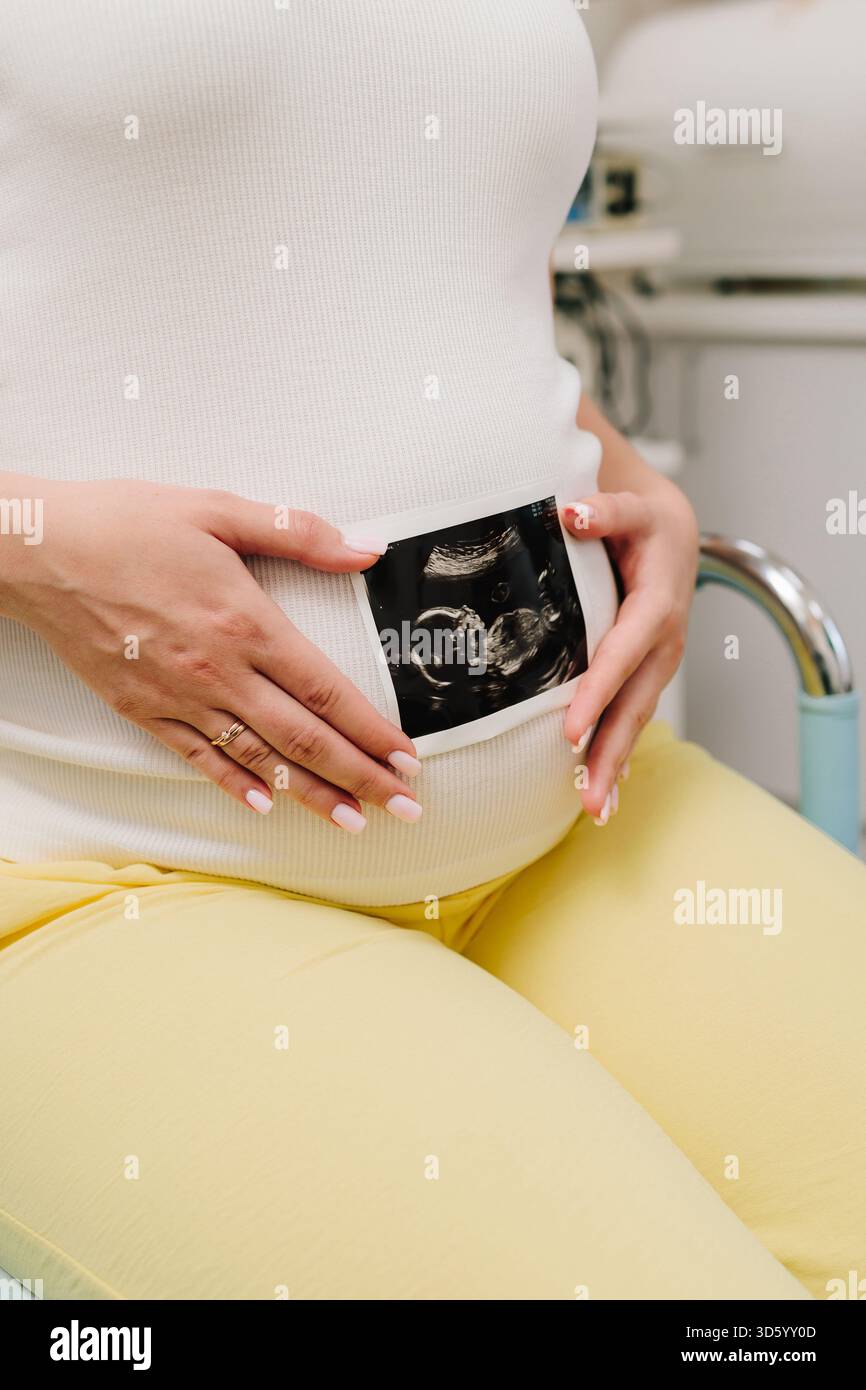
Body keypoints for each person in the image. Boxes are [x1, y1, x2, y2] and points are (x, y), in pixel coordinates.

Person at [0, 0, 862, 1300]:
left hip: (577, 808)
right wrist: (31, 540)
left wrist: (632, 483)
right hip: (106, 865)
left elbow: (416, 267)